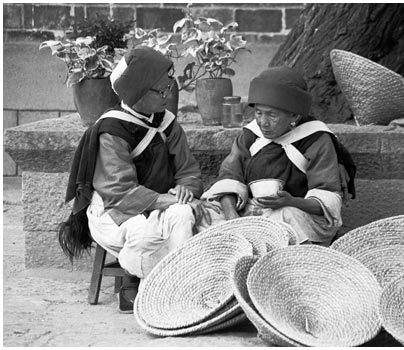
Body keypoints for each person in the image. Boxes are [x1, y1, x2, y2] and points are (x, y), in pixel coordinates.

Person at [58, 46, 215, 313]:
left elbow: (188, 171)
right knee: (146, 233)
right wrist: (169, 199)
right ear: (138, 91)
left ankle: (172, 285)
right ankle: (144, 282)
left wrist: (186, 190)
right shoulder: (112, 130)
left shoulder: (167, 124)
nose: (169, 94)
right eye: (162, 90)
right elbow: (120, 192)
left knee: (186, 215)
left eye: (169, 87)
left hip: (157, 204)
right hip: (115, 211)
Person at [201, 66, 356, 245]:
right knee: (206, 217)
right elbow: (229, 178)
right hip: (252, 211)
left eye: (272, 115)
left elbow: (327, 197)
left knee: (284, 218)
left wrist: (292, 201)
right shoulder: (250, 136)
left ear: (294, 116)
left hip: (298, 214)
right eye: (258, 113)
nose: (263, 123)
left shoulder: (315, 139)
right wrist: (232, 216)